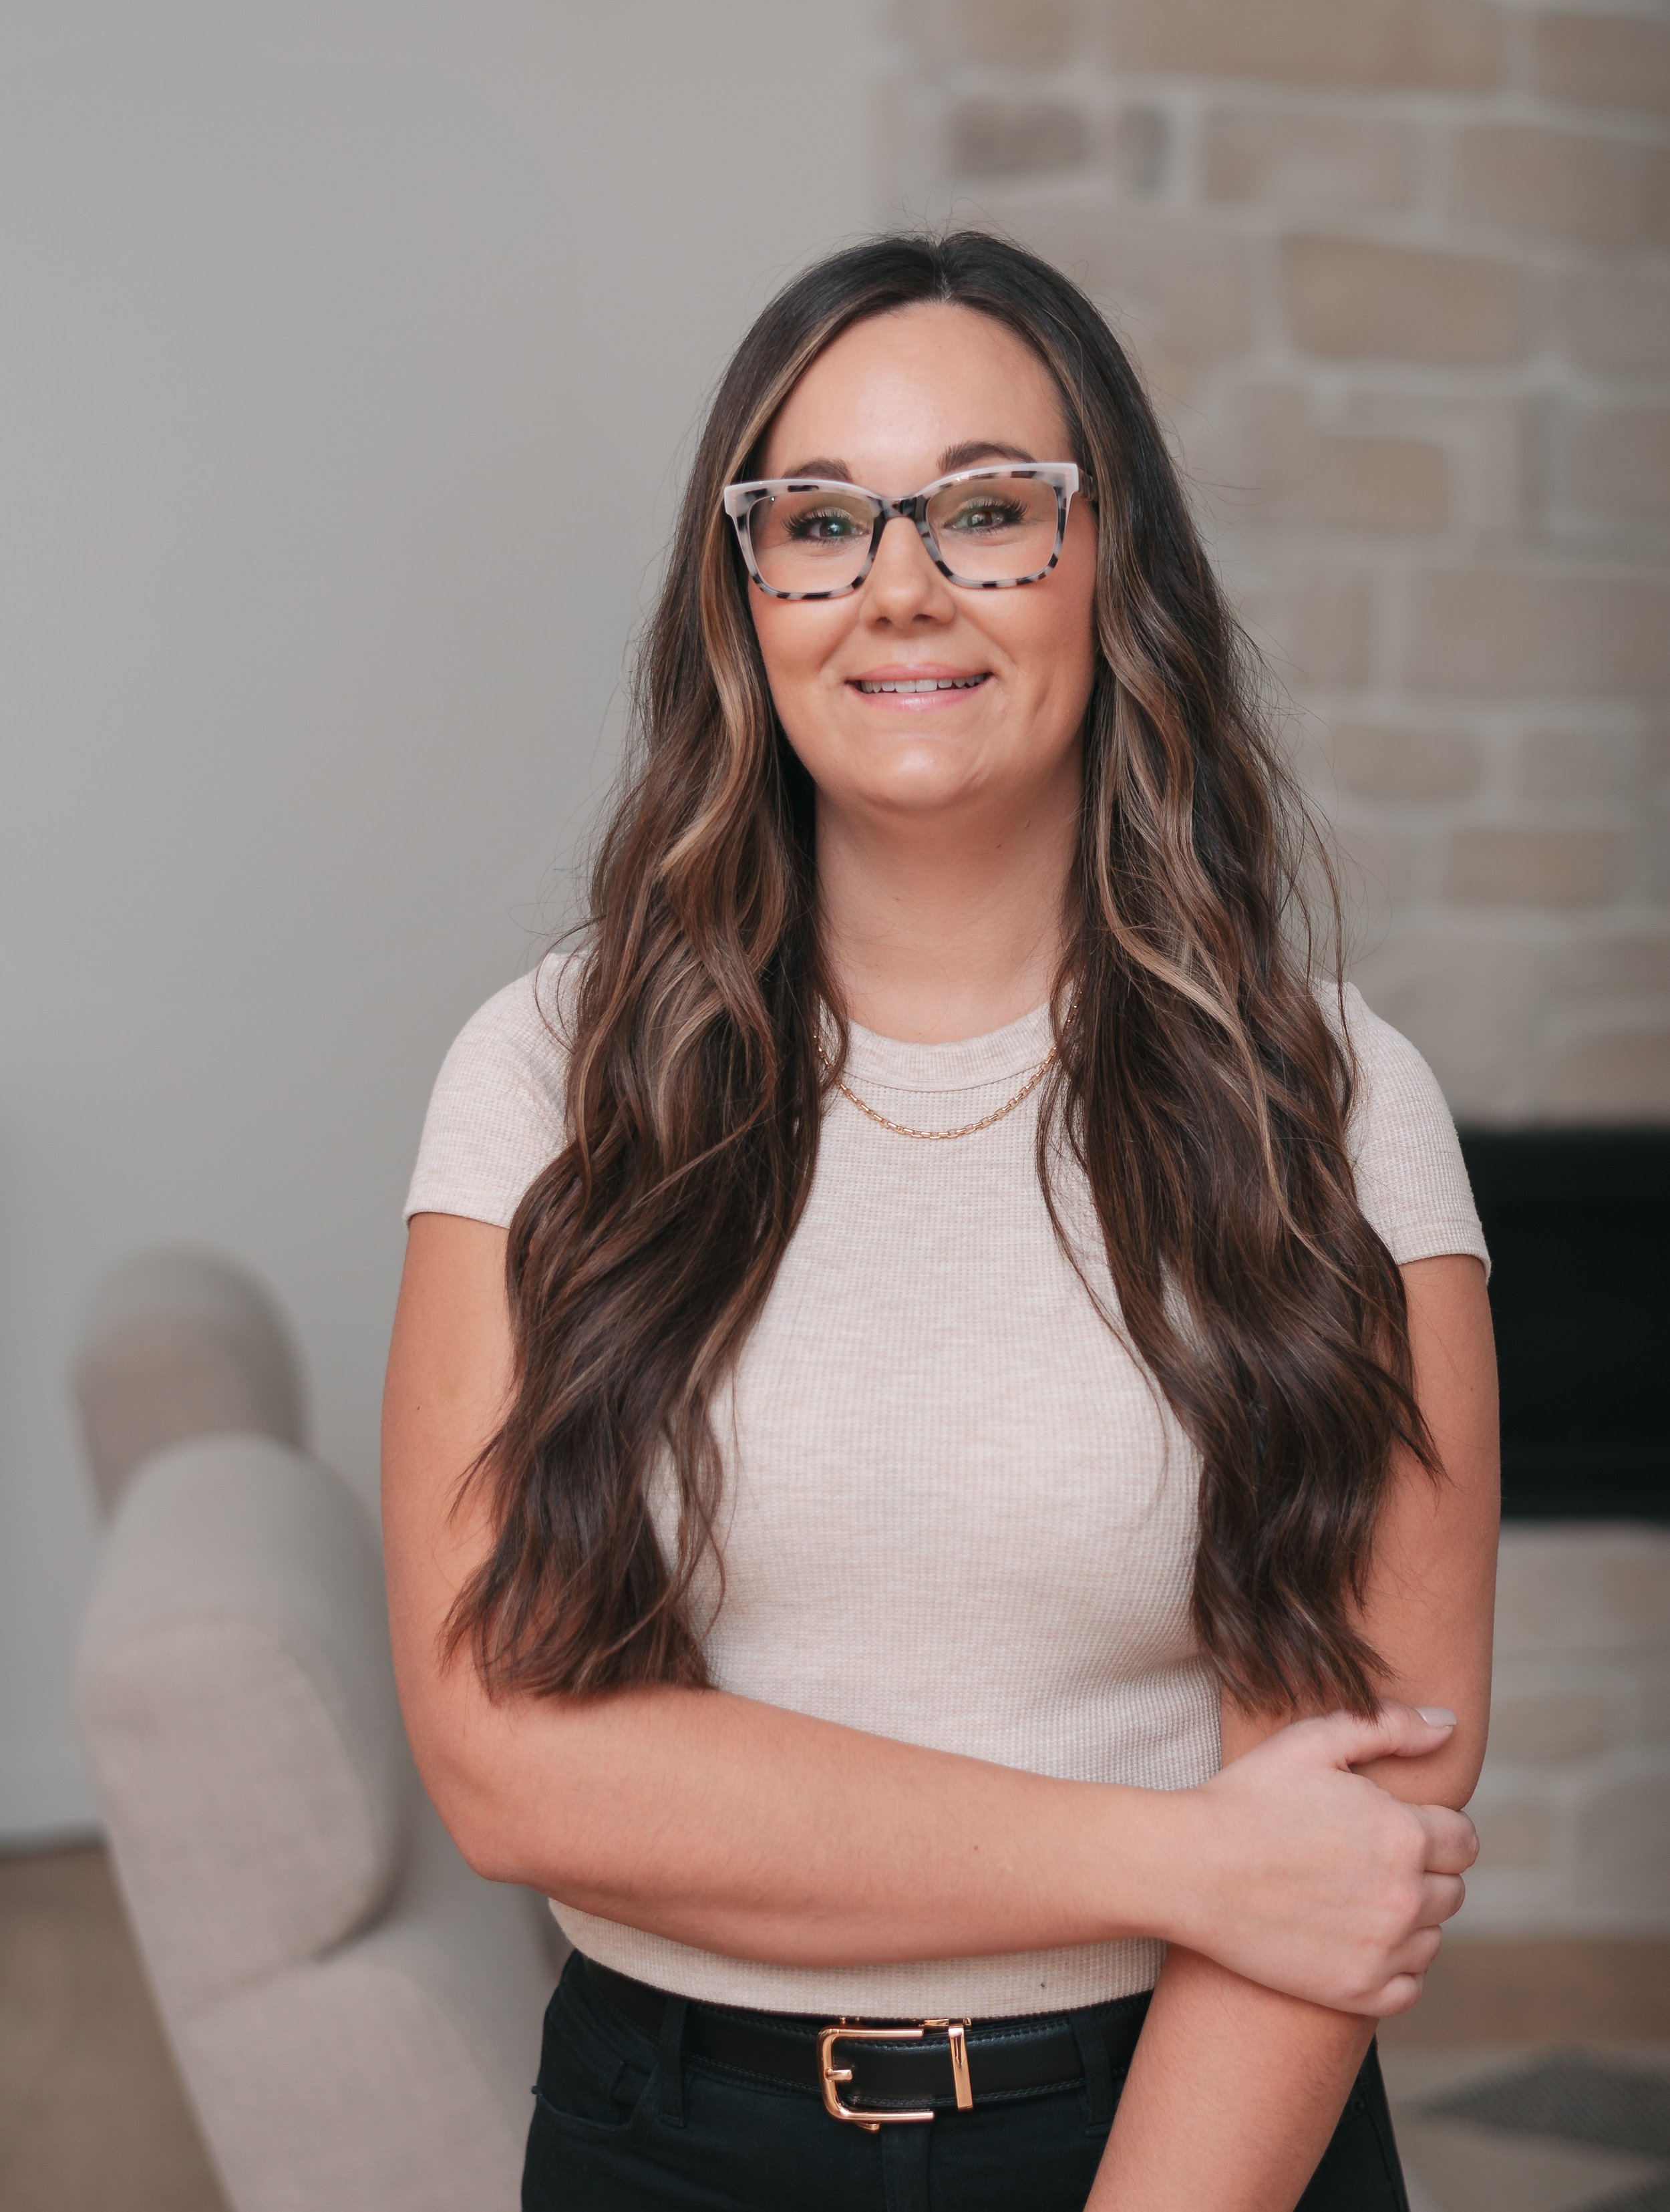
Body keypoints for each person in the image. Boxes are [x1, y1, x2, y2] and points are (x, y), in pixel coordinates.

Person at [382, 232, 1497, 2212]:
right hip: (665, 2143)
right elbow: (508, 1764)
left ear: (1108, 564)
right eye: (816, 519)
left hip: (1186, 2139)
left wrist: (1232, 1900)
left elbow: (1342, 1857)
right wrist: (1166, 1851)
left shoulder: (1328, 1105)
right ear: (745, 596)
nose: (896, 581)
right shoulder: (549, 1077)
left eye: (986, 508)